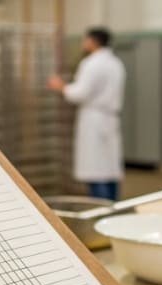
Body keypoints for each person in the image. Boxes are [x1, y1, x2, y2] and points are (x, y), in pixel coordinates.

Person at [47, 27, 125, 200]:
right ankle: (114, 207)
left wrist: (61, 86)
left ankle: (100, 210)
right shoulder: (115, 63)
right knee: (110, 170)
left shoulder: (91, 63)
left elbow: (80, 93)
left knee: (95, 171)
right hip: (109, 119)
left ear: (92, 41)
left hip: (94, 119)